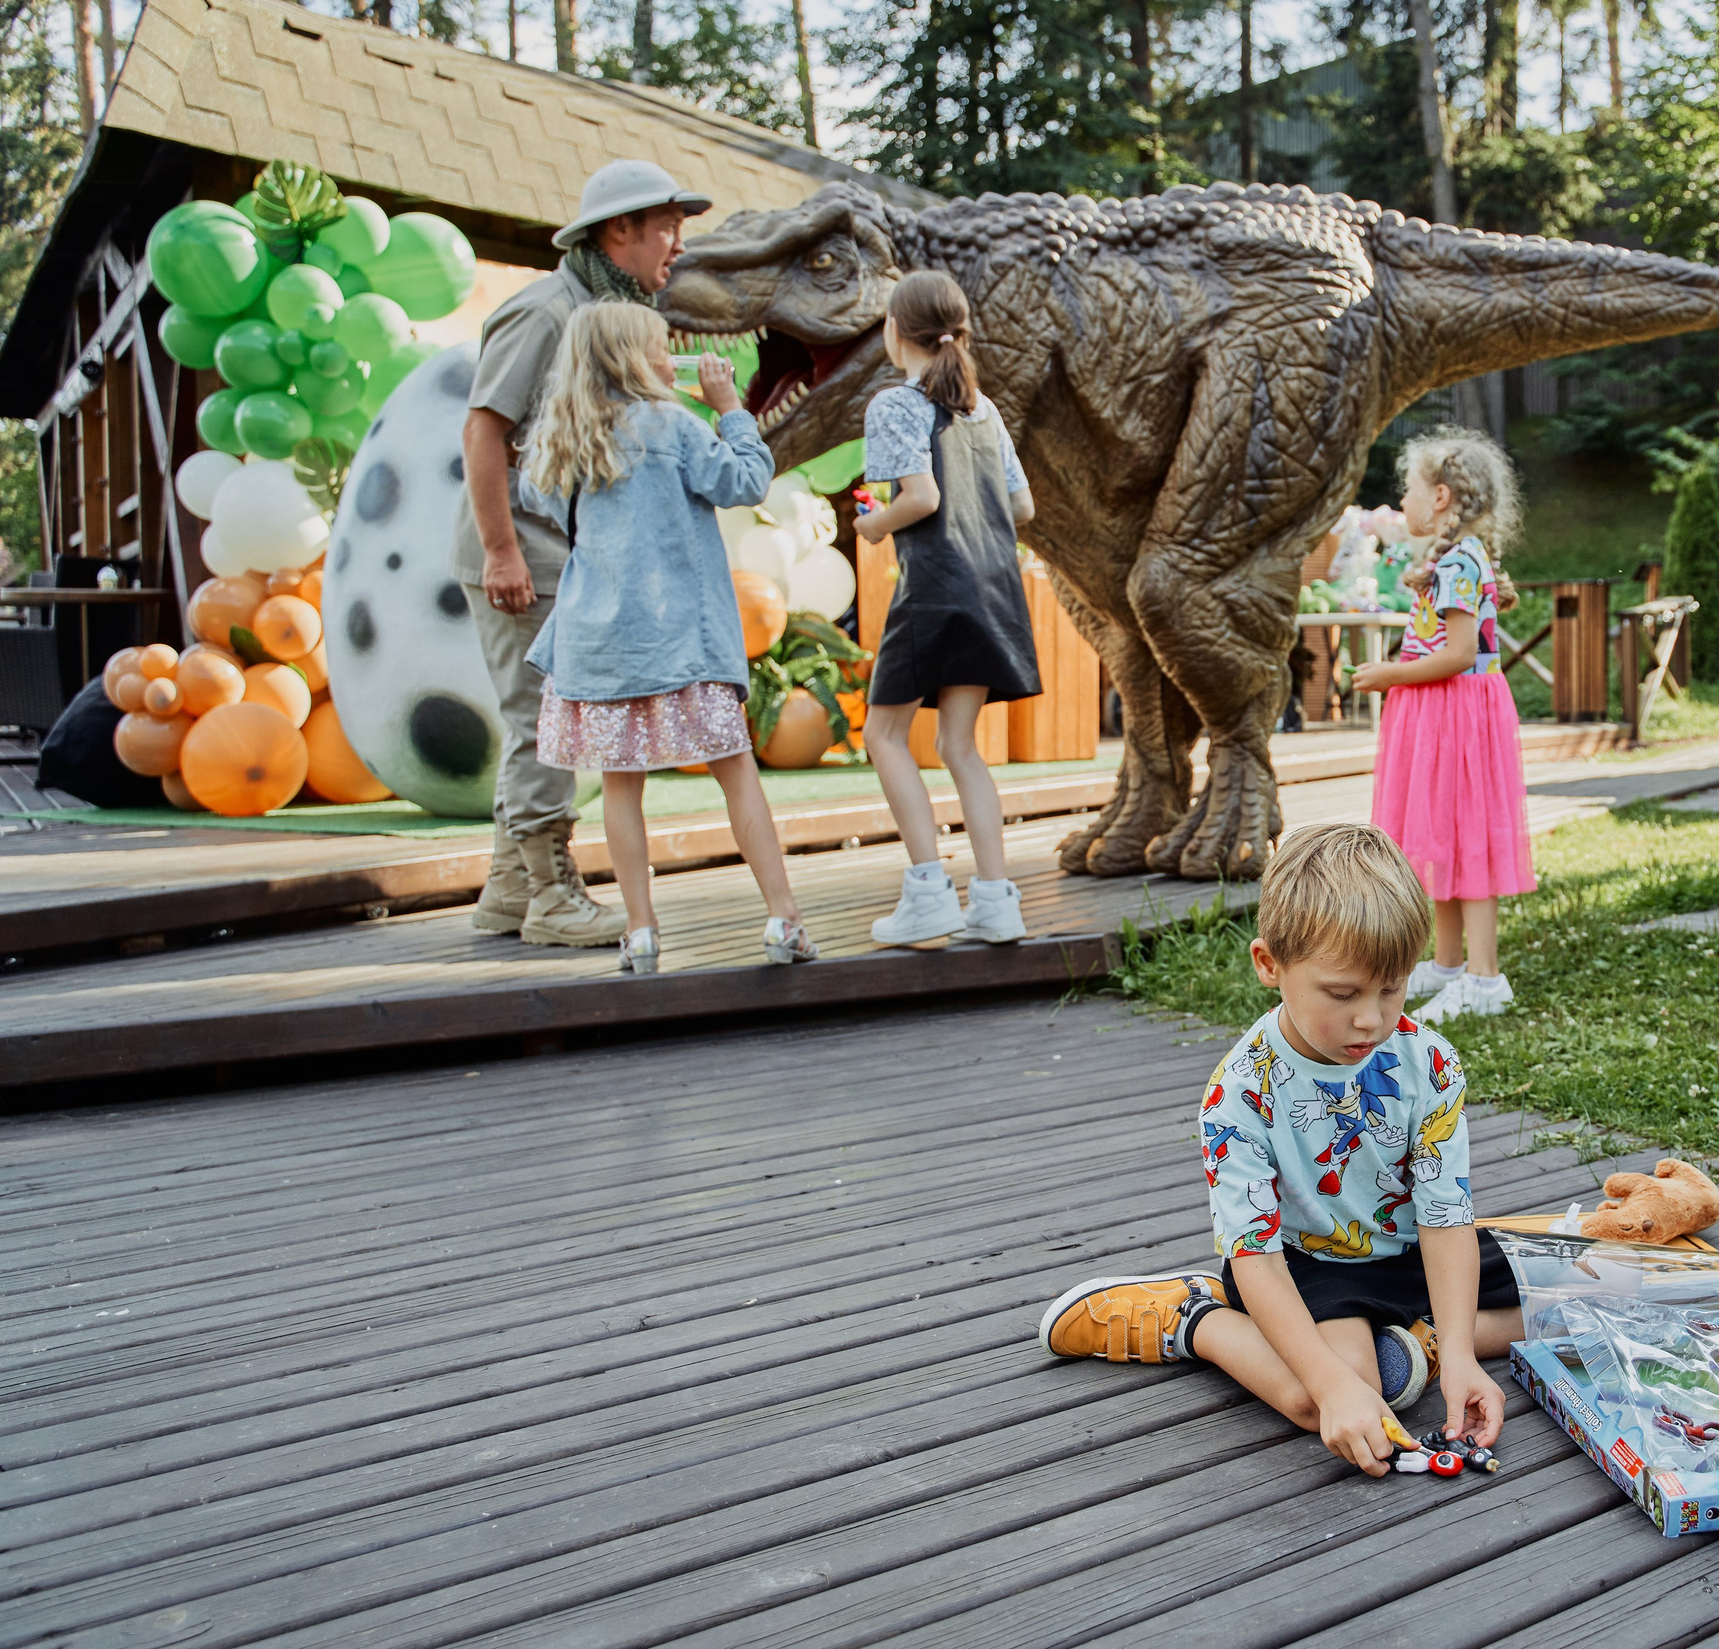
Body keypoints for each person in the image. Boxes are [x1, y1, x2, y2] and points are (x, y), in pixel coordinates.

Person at [1036, 822, 1522, 1473]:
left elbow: (1445, 1217)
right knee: (1322, 1393)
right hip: (1301, 1263)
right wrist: (1333, 1387)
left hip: (1405, 1252)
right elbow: (1258, 1259)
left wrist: (1461, 1357)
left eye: (1393, 987)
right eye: (1343, 993)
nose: (1371, 1019)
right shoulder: (1241, 1094)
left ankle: (1428, 1342)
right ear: (1270, 964)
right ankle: (1193, 1318)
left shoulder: (1427, 1062)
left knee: (1564, 1303)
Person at [454, 159, 713, 949]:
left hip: (562, 553)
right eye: (665, 225)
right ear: (618, 230)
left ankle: (511, 886)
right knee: (543, 720)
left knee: (537, 716)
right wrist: (502, 550)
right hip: (519, 552)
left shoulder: (606, 311)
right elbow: (483, 430)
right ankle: (553, 894)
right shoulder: (546, 314)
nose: (677, 243)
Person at [517, 303, 816, 976]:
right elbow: (745, 481)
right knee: (735, 771)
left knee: (622, 789)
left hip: (603, 648)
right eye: (662, 349)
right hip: (684, 640)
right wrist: (729, 407)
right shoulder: (676, 426)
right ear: (637, 359)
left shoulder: (564, 436)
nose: (670, 356)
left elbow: (540, 498)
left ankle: (642, 932)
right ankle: (782, 918)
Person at [853, 270, 1042, 948]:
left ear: (895, 331)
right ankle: (995, 901)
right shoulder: (982, 409)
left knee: (882, 735)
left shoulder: (895, 404)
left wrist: (876, 526)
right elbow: (1022, 508)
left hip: (933, 590)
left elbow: (922, 497)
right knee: (959, 746)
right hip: (994, 591)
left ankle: (928, 891)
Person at [1353, 427, 1532, 1024]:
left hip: (1454, 714)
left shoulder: (1459, 562)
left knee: (1469, 838)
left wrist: (1388, 675)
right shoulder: (1453, 560)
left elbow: (1458, 655)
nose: (1402, 502)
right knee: (1446, 836)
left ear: (1442, 497)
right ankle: (1450, 963)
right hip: (1443, 713)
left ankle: (1484, 979)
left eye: (1408, 489)